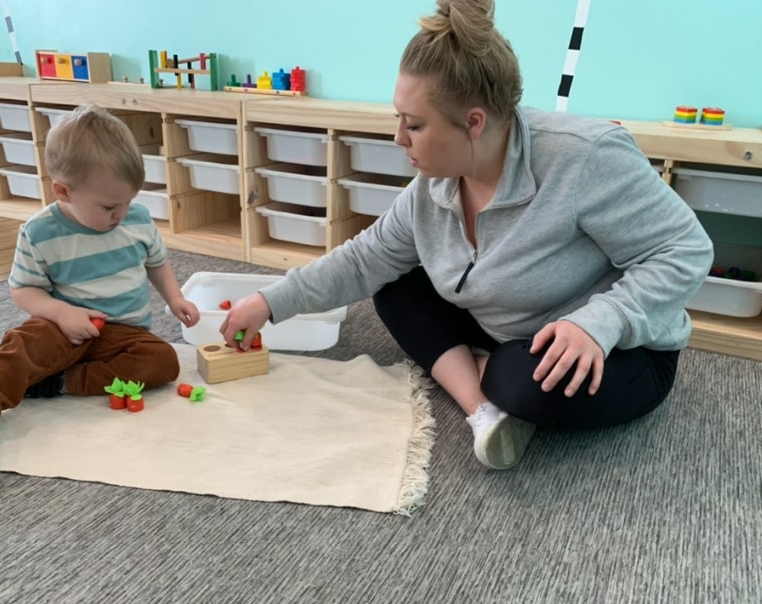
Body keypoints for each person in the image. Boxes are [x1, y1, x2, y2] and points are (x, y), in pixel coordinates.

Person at [223, 0, 714, 471]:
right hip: (505, 322)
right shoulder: (432, 184)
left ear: (474, 122)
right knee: (393, 284)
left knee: (522, 382)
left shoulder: (585, 157)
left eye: (414, 124)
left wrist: (600, 322)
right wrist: (270, 301)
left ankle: (493, 379)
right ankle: (483, 408)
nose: (398, 138)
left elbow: (686, 251)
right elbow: (363, 260)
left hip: (620, 349)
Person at [0, 104, 200, 489]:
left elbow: (156, 263)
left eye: (128, 202)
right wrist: (61, 313)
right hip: (64, 327)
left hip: (125, 335)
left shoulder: (138, 220)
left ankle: (59, 383)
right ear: (63, 190)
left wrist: (175, 297)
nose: (122, 214)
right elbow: (23, 289)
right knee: (21, 349)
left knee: (162, 361)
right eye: (110, 206)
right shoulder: (40, 232)